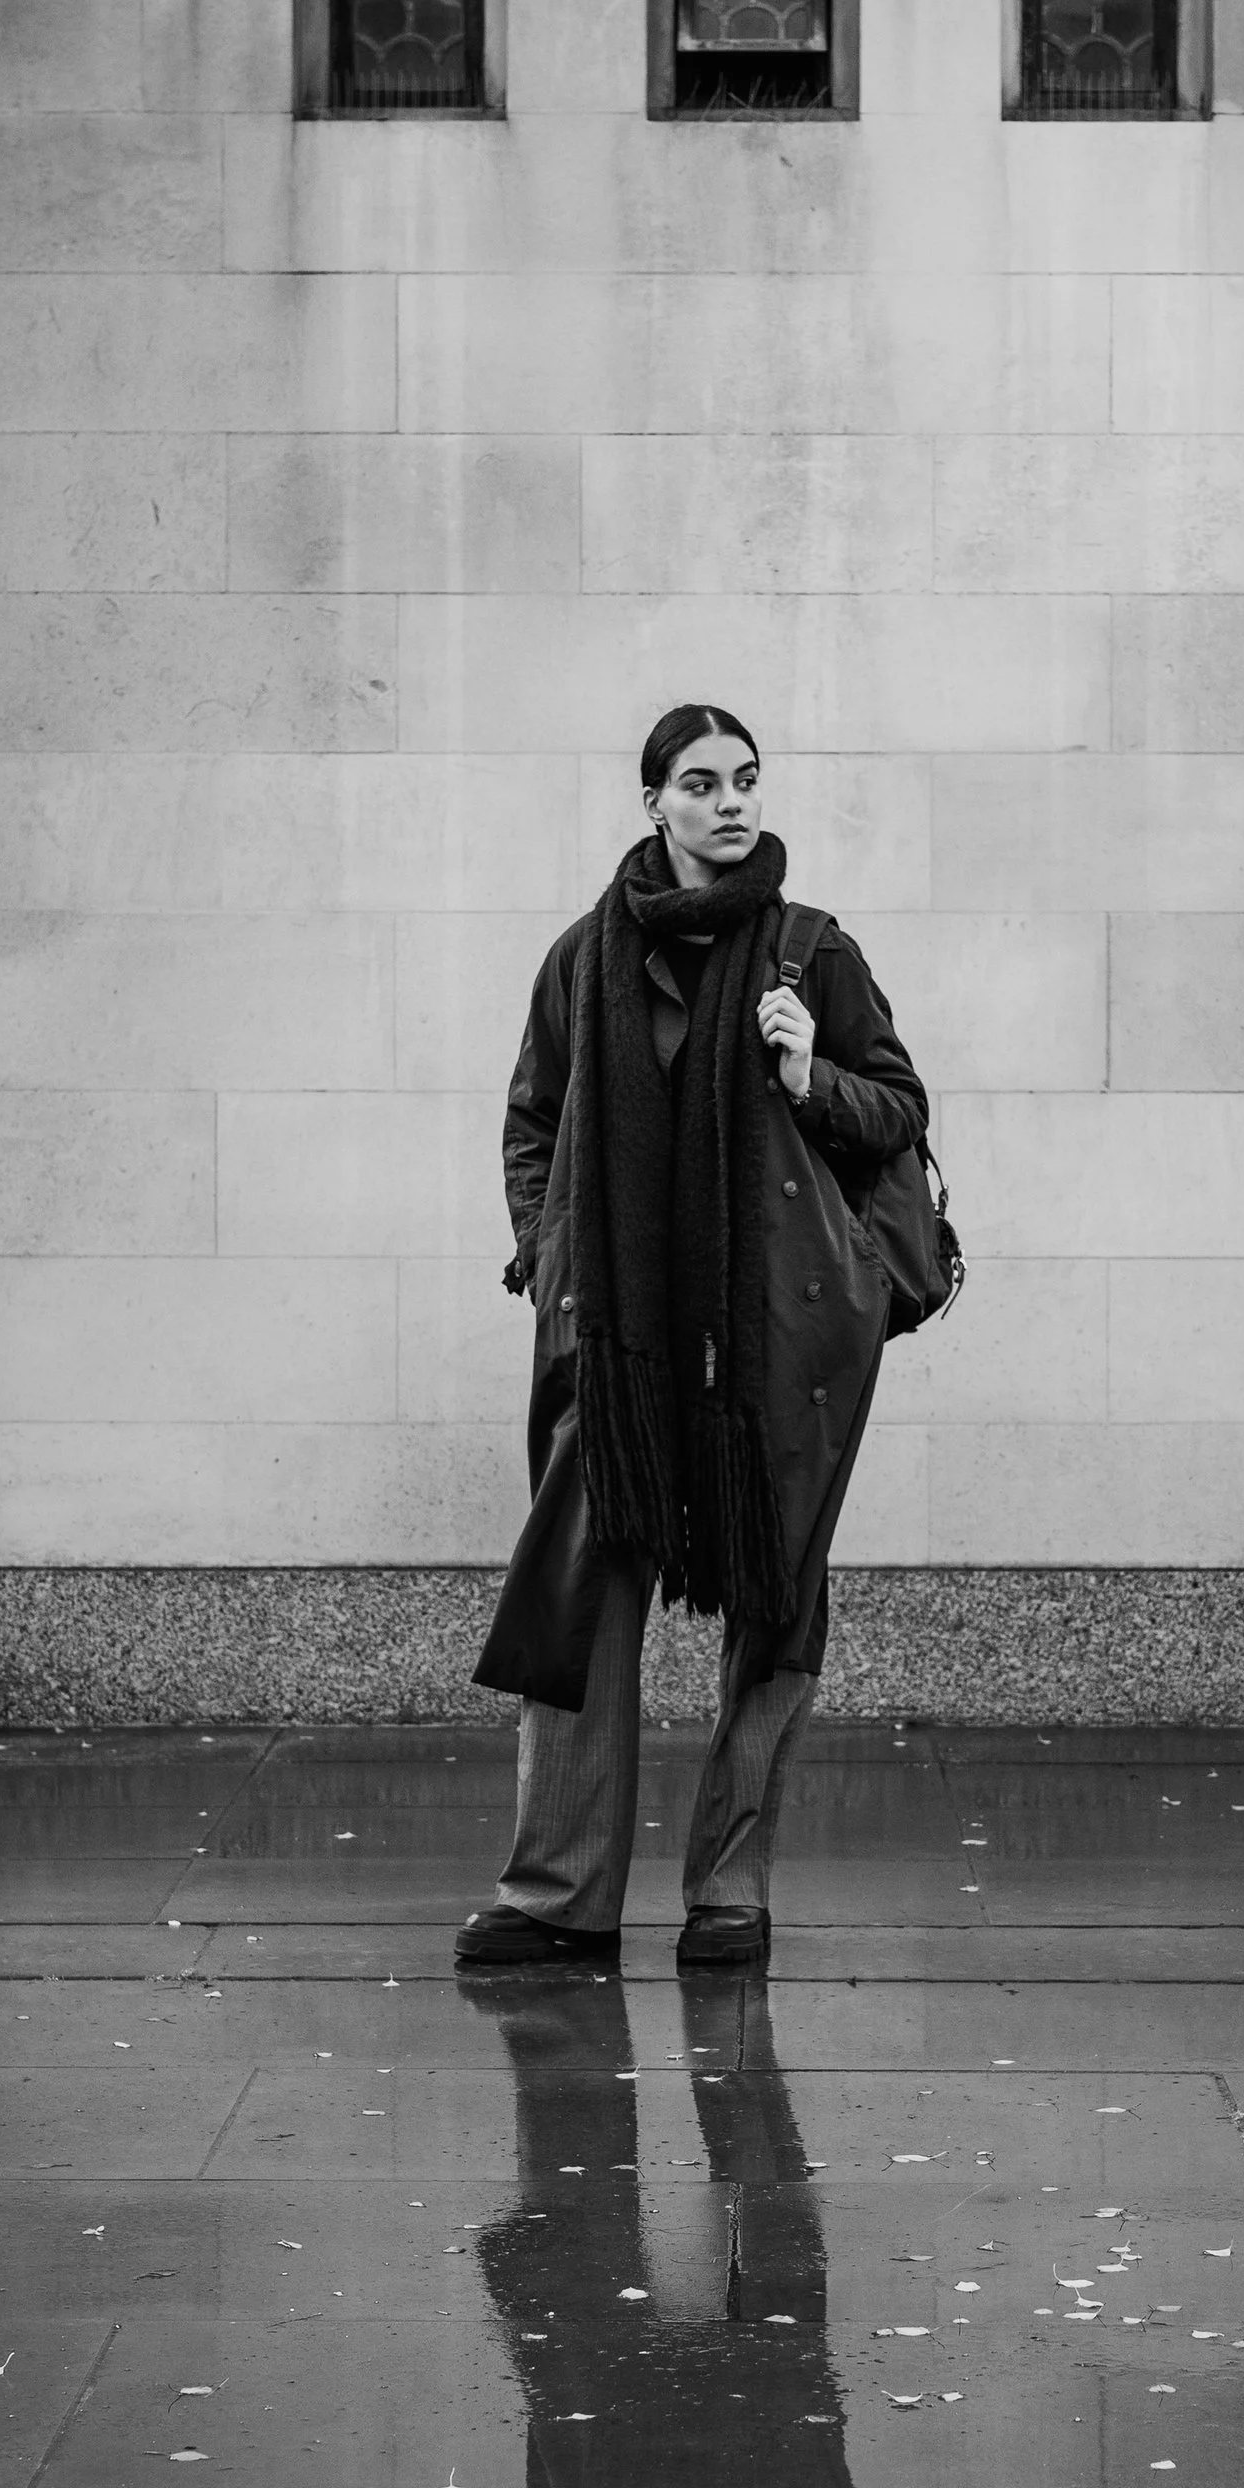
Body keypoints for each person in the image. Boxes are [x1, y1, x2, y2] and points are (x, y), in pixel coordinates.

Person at [457, 702, 929, 1973]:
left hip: (777, 1335)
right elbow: (533, 1122)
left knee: (772, 1601)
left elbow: (898, 1110)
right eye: (704, 783)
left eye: (749, 781)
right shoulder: (582, 959)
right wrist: (552, 1248)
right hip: (617, 1342)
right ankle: (560, 1893)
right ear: (654, 802)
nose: (733, 803)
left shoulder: (808, 952)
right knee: (581, 1588)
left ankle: (730, 1890)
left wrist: (805, 1076)